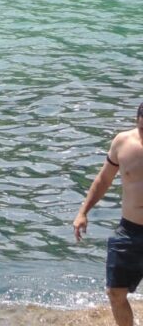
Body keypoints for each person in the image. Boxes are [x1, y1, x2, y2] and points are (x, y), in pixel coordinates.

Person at [73, 102, 143, 326]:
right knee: (115, 292)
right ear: (137, 121)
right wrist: (83, 212)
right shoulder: (123, 142)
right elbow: (104, 179)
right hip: (129, 230)